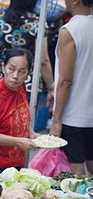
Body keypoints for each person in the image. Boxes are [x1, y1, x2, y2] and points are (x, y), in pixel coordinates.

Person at [0, 0, 55, 106]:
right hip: (26, 83)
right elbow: (43, 60)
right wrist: (51, 87)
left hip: (2, 78)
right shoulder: (37, 23)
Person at [49, 0, 93, 175]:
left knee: (76, 173)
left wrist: (56, 119)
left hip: (74, 114)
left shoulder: (70, 31)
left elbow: (65, 80)